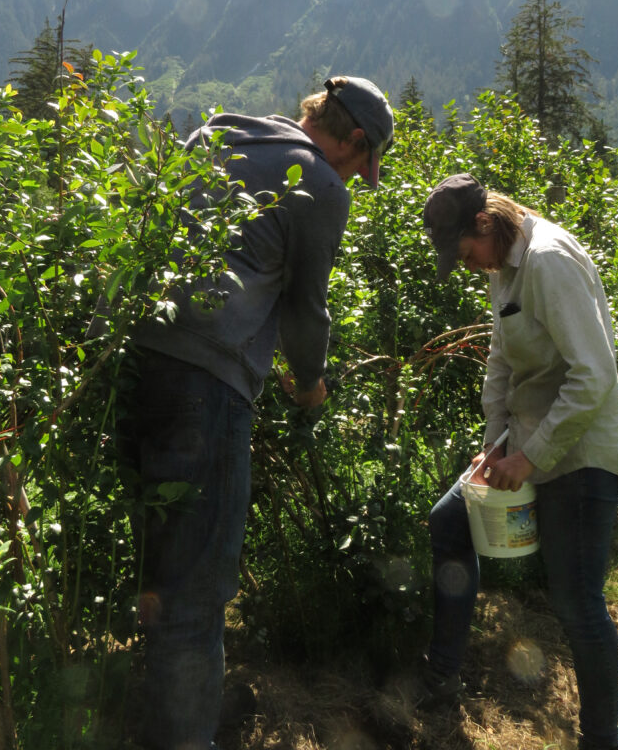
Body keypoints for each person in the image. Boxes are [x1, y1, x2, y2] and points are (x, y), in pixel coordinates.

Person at [122, 76, 394, 750]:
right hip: (206, 390)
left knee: (160, 573)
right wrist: (309, 385)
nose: (360, 179)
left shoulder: (222, 130)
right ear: (355, 140)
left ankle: (148, 723)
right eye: (366, 164)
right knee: (199, 593)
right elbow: (306, 311)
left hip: (136, 368)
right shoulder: (321, 186)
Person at [421, 173, 618, 750]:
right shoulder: (504, 267)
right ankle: (441, 680)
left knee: (576, 603)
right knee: (448, 521)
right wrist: (495, 447)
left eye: (464, 251)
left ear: (485, 224)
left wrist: (530, 456)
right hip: (526, 447)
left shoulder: (548, 262)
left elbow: (594, 374)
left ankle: (600, 740)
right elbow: (501, 362)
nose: (465, 264)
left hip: (581, 455)